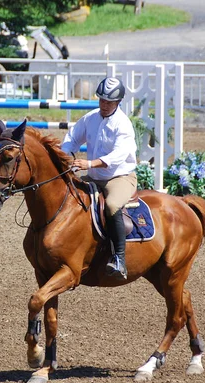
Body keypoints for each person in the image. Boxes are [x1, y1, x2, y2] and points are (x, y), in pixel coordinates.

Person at [61, 77, 138, 280]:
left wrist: (89, 164)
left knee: (112, 205)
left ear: (118, 102)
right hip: (94, 177)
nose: (104, 105)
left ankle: (119, 259)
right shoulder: (91, 118)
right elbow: (72, 138)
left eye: (109, 102)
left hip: (120, 177)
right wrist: (67, 154)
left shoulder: (123, 124)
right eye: (101, 100)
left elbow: (118, 156)